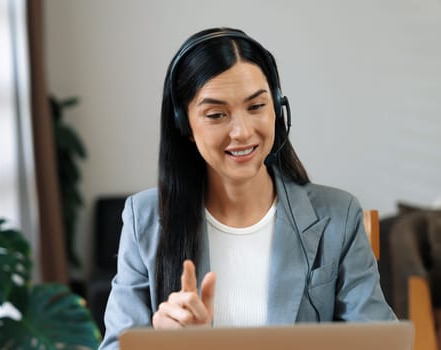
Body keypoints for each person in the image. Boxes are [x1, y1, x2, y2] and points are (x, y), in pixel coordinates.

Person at [98, 27, 396, 350]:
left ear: (277, 109)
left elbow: (383, 343)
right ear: (184, 125)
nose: (241, 132)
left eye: (256, 107)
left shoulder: (339, 216)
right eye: (216, 114)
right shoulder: (144, 220)